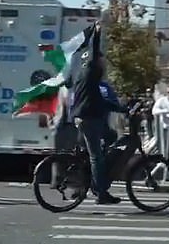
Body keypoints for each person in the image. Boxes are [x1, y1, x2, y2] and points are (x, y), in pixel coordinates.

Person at [66, 22, 127, 204]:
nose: (104, 63)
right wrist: (97, 33)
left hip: (86, 116)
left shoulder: (84, 76)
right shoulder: (90, 71)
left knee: (110, 136)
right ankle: (101, 193)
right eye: (102, 60)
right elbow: (94, 51)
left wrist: (121, 108)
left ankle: (94, 179)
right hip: (88, 118)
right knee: (96, 156)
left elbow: (101, 101)